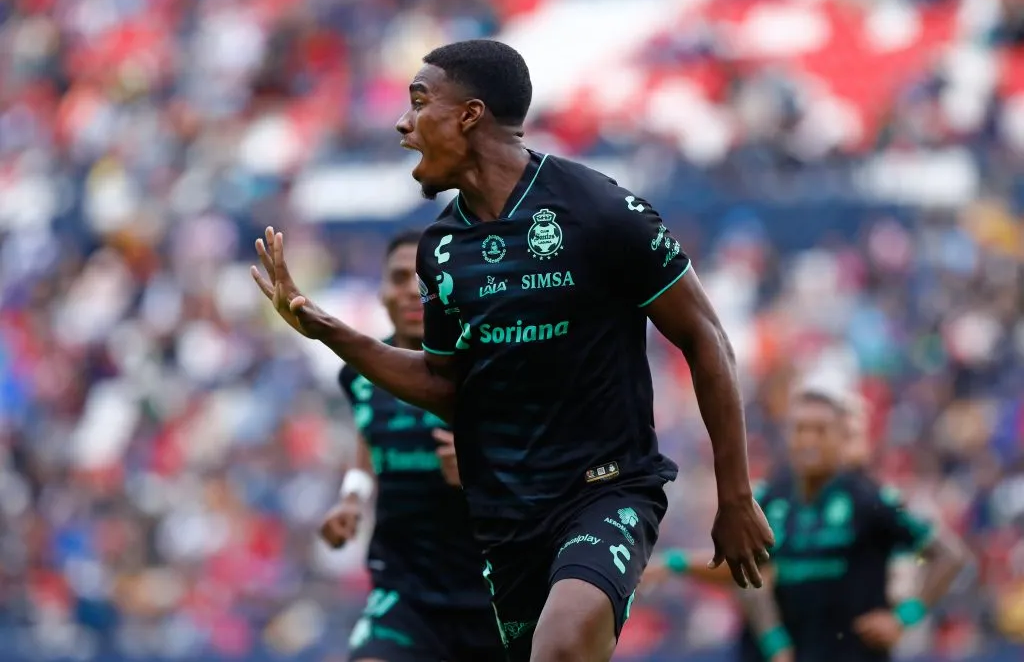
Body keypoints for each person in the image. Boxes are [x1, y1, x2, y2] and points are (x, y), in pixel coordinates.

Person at [250, 39, 774, 662]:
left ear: (468, 115)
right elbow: (446, 386)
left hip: (605, 490)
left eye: (419, 102)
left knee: (560, 648)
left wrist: (735, 495)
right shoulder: (441, 249)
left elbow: (705, 336)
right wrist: (328, 330)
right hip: (506, 515)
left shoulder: (600, 210)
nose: (402, 123)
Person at [644, 384, 969, 662]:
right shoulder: (768, 498)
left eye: (820, 430)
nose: (809, 440)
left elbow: (950, 555)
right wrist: (674, 563)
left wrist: (903, 618)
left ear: (841, 437)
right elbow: (744, 570)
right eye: (800, 429)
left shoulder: (870, 499)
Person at [319, 231, 503, 662]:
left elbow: (542, 462)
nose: (411, 291)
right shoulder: (359, 373)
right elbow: (369, 436)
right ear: (381, 292)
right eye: (399, 278)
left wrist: (479, 471)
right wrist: (352, 498)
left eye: (426, 279)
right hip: (406, 594)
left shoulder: (488, 364)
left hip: (496, 594)